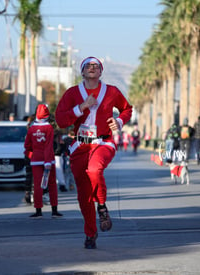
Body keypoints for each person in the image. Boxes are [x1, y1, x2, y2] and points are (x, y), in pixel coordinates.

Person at [55, 56, 133, 249]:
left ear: (101, 71)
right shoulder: (73, 93)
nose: (92, 68)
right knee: (83, 196)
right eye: (88, 66)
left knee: (94, 169)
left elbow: (127, 109)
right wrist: (81, 107)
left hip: (103, 142)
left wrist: (120, 121)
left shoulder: (111, 91)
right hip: (79, 146)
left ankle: (102, 206)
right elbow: (60, 120)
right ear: (82, 72)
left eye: (96, 66)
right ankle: (90, 233)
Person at [24, 104, 63, 218]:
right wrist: (47, 161)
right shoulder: (49, 128)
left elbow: (27, 145)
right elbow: (48, 145)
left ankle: (38, 211)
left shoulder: (31, 128)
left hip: (36, 160)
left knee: (37, 185)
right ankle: (54, 210)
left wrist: (33, 154)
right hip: (48, 160)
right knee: (51, 185)